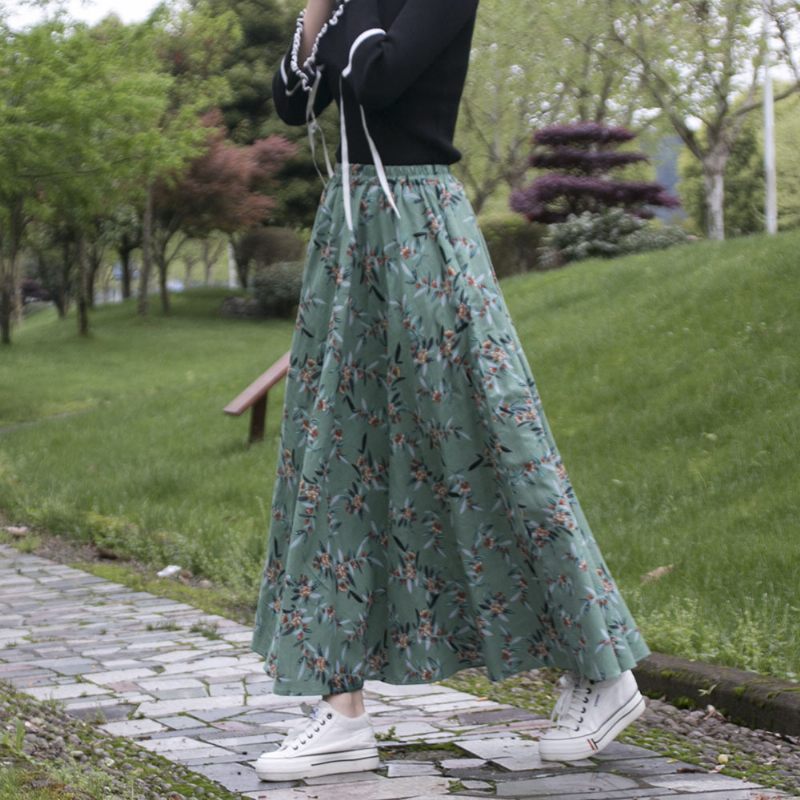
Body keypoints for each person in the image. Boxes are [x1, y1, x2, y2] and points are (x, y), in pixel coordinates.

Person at [250, 0, 652, 783]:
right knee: (335, 458)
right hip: (352, 231)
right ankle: (339, 713)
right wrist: (312, 14)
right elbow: (296, 100)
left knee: (495, 446)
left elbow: (380, 80)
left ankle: (605, 673)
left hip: (423, 229)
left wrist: (343, 23)